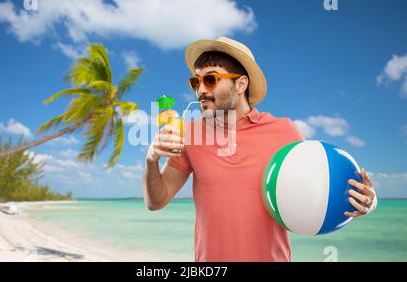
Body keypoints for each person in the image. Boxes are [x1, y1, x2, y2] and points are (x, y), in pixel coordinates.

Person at [142, 37, 377, 262]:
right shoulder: (190, 134)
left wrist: (368, 203)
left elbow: (320, 186)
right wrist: (151, 159)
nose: (200, 90)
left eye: (211, 79)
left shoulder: (284, 131)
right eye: (196, 81)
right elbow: (156, 201)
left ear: (241, 83)